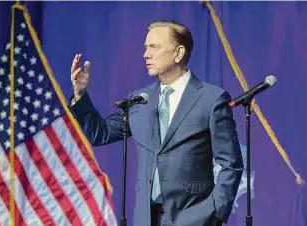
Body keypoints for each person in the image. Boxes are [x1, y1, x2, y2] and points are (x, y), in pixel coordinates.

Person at [68, 20, 243, 226]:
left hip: (196, 218)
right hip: (147, 219)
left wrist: (215, 212)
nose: (146, 54)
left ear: (178, 53)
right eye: (146, 47)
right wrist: (80, 95)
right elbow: (101, 133)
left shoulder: (211, 99)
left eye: (154, 47)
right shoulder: (140, 99)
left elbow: (230, 163)